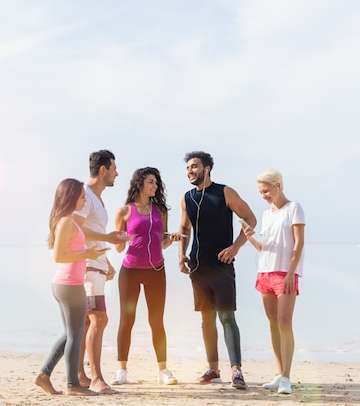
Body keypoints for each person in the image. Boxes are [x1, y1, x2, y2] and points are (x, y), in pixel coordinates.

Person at [178, 151, 257, 389]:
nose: (190, 171)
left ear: (207, 168)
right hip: (198, 267)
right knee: (206, 319)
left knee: (226, 316)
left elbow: (250, 220)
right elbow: (183, 228)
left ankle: (237, 371)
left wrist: (236, 247)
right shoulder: (187, 198)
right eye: (188, 168)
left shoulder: (225, 192)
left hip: (222, 266)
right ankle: (213, 370)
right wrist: (181, 255)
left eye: (194, 167)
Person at [35, 178, 108, 396]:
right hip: (69, 284)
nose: (85, 199)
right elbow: (59, 256)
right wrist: (88, 254)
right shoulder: (66, 222)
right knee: (76, 335)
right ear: (71, 197)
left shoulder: (69, 221)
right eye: (82, 196)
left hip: (68, 284)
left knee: (70, 335)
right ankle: (72, 385)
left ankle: (43, 375)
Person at [111, 167, 184, 385]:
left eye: (156, 182)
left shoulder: (160, 210)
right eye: (151, 182)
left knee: (156, 321)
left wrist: (173, 238)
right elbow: (117, 248)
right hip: (130, 272)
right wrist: (120, 239)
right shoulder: (124, 211)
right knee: (127, 321)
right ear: (140, 183)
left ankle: (163, 371)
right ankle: (121, 371)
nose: (155, 186)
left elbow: (162, 242)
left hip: (156, 271)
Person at [239, 169, 305, 395]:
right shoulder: (267, 214)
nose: (264, 195)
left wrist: (290, 273)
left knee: (285, 323)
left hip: (285, 274)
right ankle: (279, 373)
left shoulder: (294, 208)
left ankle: (287, 377)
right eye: (261, 192)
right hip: (264, 272)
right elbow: (265, 248)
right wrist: (250, 239)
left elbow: (298, 244)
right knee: (273, 323)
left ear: (278, 186)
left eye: (266, 191)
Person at [73, 150, 130, 394]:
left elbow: (91, 231)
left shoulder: (98, 199)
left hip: (96, 266)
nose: (117, 173)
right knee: (99, 318)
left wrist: (106, 261)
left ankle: (80, 375)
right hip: (85, 268)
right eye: (114, 168)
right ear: (103, 169)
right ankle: (96, 378)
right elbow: (74, 228)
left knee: (87, 322)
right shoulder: (85, 195)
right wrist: (106, 238)